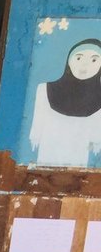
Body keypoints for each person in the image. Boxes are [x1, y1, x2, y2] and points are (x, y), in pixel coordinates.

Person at [29, 38, 101, 167]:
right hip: (44, 167)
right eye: (78, 58)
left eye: (94, 60)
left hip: (77, 171)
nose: (84, 65)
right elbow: (36, 135)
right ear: (68, 61)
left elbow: (95, 142)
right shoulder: (44, 89)